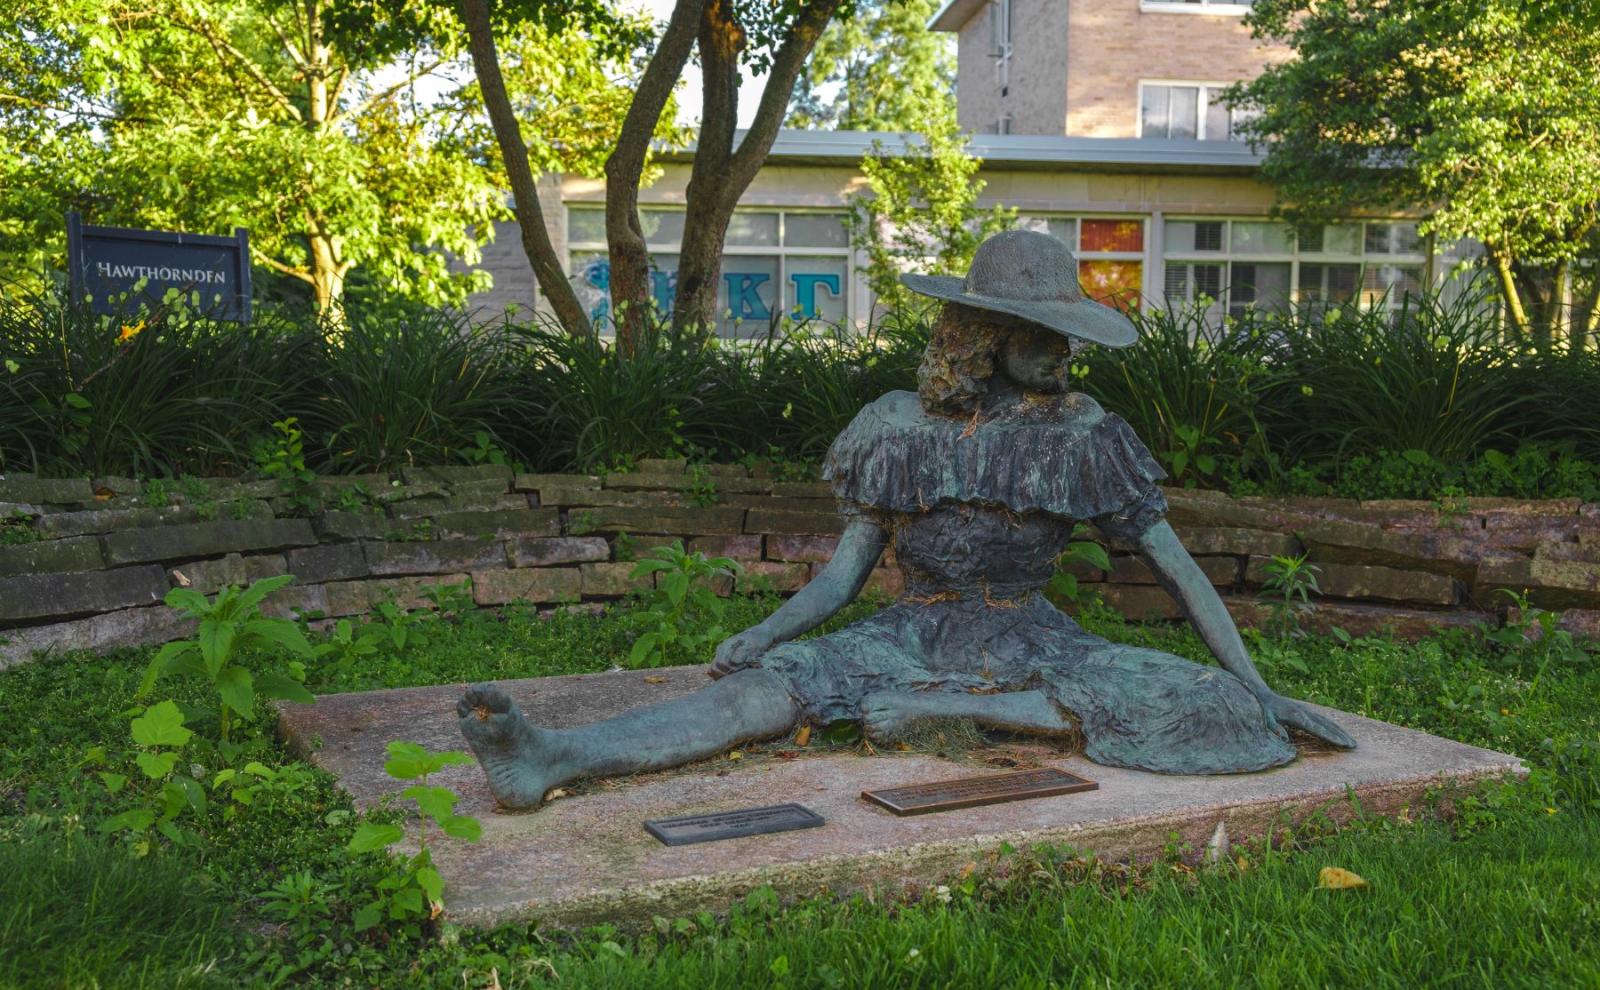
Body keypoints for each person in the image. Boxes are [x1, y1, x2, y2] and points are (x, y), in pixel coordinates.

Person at [457, 230, 1355, 810]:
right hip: (910, 635)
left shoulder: (1085, 435)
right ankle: (556, 756)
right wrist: (764, 630)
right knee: (763, 691)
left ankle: (1007, 717)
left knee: (1221, 708)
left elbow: (1178, 569)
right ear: (986, 334)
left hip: (1034, 646)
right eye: (1043, 331)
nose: (1064, 349)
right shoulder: (895, 427)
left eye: (1066, 331)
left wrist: (1256, 680)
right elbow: (846, 577)